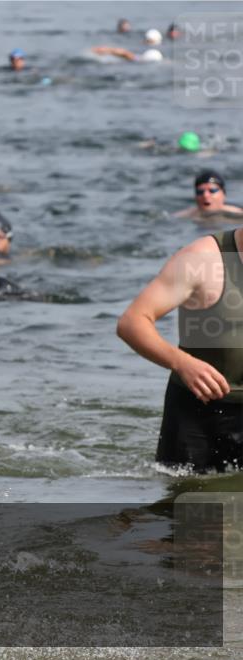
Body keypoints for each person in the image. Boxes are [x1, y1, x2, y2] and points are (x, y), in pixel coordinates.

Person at [117, 227, 242, 472]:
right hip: (198, 415)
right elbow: (132, 321)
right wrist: (182, 363)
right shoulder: (202, 258)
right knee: (182, 505)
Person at [174, 170, 243, 220]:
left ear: (223, 193)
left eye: (212, 191)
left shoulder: (238, 215)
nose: (205, 195)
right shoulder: (183, 217)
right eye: (200, 192)